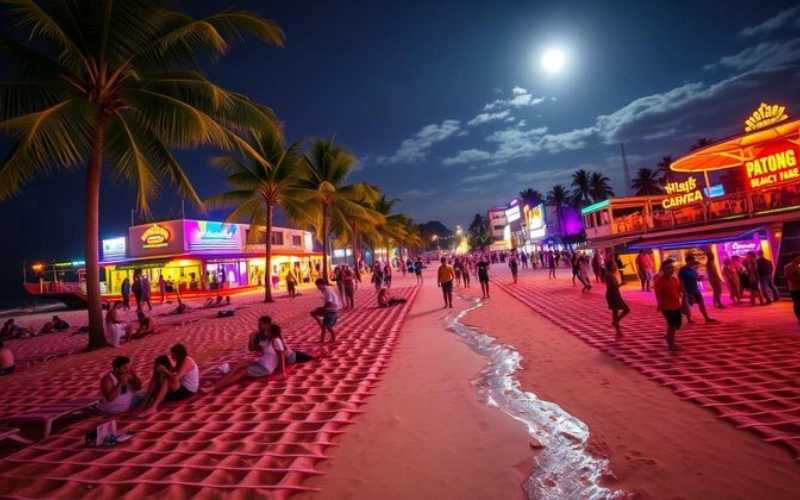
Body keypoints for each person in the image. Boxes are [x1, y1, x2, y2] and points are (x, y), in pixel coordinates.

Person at [210, 318, 287, 392]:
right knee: (241, 362)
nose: (265, 331)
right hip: (260, 363)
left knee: (242, 372)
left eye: (267, 330)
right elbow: (252, 348)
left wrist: (283, 373)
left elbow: (281, 356)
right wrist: (251, 337)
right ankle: (224, 379)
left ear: (271, 331)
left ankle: (216, 386)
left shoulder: (276, 341)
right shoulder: (266, 340)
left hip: (266, 368)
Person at [140, 344, 199, 416]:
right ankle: (146, 405)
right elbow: (172, 371)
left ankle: (154, 407)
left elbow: (175, 379)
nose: (172, 357)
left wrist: (164, 370)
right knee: (163, 380)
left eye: (172, 354)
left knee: (167, 380)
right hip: (183, 388)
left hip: (189, 391)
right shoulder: (180, 362)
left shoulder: (187, 360)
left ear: (177, 354)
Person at [654, 259, 684, 351]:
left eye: (672, 268)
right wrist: (659, 304)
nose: (671, 269)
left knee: (678, 325)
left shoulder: (675, 278)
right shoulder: (660, 281)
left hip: (676, 305)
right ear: (663, 269)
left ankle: (668, 338)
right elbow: (657, 293)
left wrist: (682, 294)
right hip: (667, 307)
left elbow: (678, 289)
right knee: (672, 325)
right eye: (668, 268)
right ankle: (671, 344)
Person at [678, 255, 718, 323]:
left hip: (695, 289)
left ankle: (706, 317)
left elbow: (697, 279)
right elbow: (680, 280)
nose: (694, 262)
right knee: (689, 305)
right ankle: (689, 319)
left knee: (701, 302)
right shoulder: (683, 270)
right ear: (688, 261)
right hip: (688, 290)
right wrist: (683, 290)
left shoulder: (693, 270)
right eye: (693, 260)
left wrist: (700, 277)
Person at [603, 260, 630, 337]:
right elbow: (611, 287)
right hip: (613, 295)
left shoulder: (610, 274)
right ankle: (615, 322)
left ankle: (618, 332)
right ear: (611, 267)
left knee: (615, 313)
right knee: (626, 309)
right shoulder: (608, 275)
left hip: (615, 294)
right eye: (614, 265)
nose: (615, 266)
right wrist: (621, 284)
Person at [310, 278, 341, 344]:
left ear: (322, 284)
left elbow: (329, 303)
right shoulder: (324, 290)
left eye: (318, 285)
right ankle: (322, 339)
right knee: (313, 313)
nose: (317, 287)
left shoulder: (327, 292)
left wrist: (321, 308)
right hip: (329, 308)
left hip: (332, 309)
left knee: (328, 326)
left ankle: (333, 339)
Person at [784, 251, 800, 324]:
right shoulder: (788, 266)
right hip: (795, 288)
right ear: (793, 258)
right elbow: (788, 276)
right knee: (797, 303)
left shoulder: (798, 265)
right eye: (798, 257)